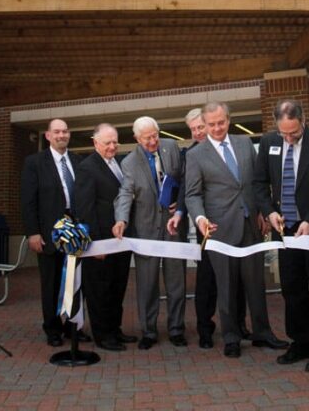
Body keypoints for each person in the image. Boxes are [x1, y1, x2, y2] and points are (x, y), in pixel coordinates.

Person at [185, 101, 288, 358]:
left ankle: (262, 333)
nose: (217, 128)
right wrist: (200, 219)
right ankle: (231, 337)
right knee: (226, 286)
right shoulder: (196, 155)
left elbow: (256, 183)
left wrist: (264, 211)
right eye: (211, 124)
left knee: (256, 284)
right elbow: (192, 194)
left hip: (251, 226)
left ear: (229, 120)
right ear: (205, 125)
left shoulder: (244, 144)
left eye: (221, 122)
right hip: (219, 230)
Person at [253, 99, 309, 372]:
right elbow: (259, 183)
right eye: (284, 134)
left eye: (294, 133)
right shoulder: (269, 143)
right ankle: (300, 342)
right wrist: (269, 212)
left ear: (303, 121)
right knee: (293, 289)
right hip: (286, 230)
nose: (289, 139)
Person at [167, 108, 250, 349]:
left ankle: (239, 324)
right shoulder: (192, 154)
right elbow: (187, 189)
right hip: (208, 228)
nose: (198, 132)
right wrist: (182, 213)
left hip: (236, 222)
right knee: (207, 281)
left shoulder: (233, 147)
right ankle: (205, 328)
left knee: (237, 280)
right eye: (193, 129)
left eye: (199, 128)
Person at [113, 116, 187, 350]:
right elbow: (125, 193)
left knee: (176, 282)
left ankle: (176, 329)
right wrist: (121, 219)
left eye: (155, 135)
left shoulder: (172, 147)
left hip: (173, 226)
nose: (153, 141)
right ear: (137, 138)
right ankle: (149, 331)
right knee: (147, 284)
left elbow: (186, 180)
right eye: (148, 138)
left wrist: (181, 204)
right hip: (145, 229)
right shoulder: (129, 162)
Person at [20, 118, 91, 347]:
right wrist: (32, 232)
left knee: (74, 281)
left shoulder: (78, 161)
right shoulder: (34, 162)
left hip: (75, 231)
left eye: (65, 131)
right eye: (57, 132)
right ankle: (52, 329)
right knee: (51, 283)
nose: (62, 135)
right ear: (48, 136)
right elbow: (28, 201)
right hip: (49, 234)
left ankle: (73, 327)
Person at [74, 123, 138, 351]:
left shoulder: (117, 164)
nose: (112, 147)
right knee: (99, 290)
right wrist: (95, 244)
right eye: (107, 143)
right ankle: (103, 336)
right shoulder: (87, 168)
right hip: (100, 243)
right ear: (95, 143)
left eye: (115, 142)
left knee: (116, 288)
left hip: (120, 241)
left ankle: (115, 329)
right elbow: (84, 209)